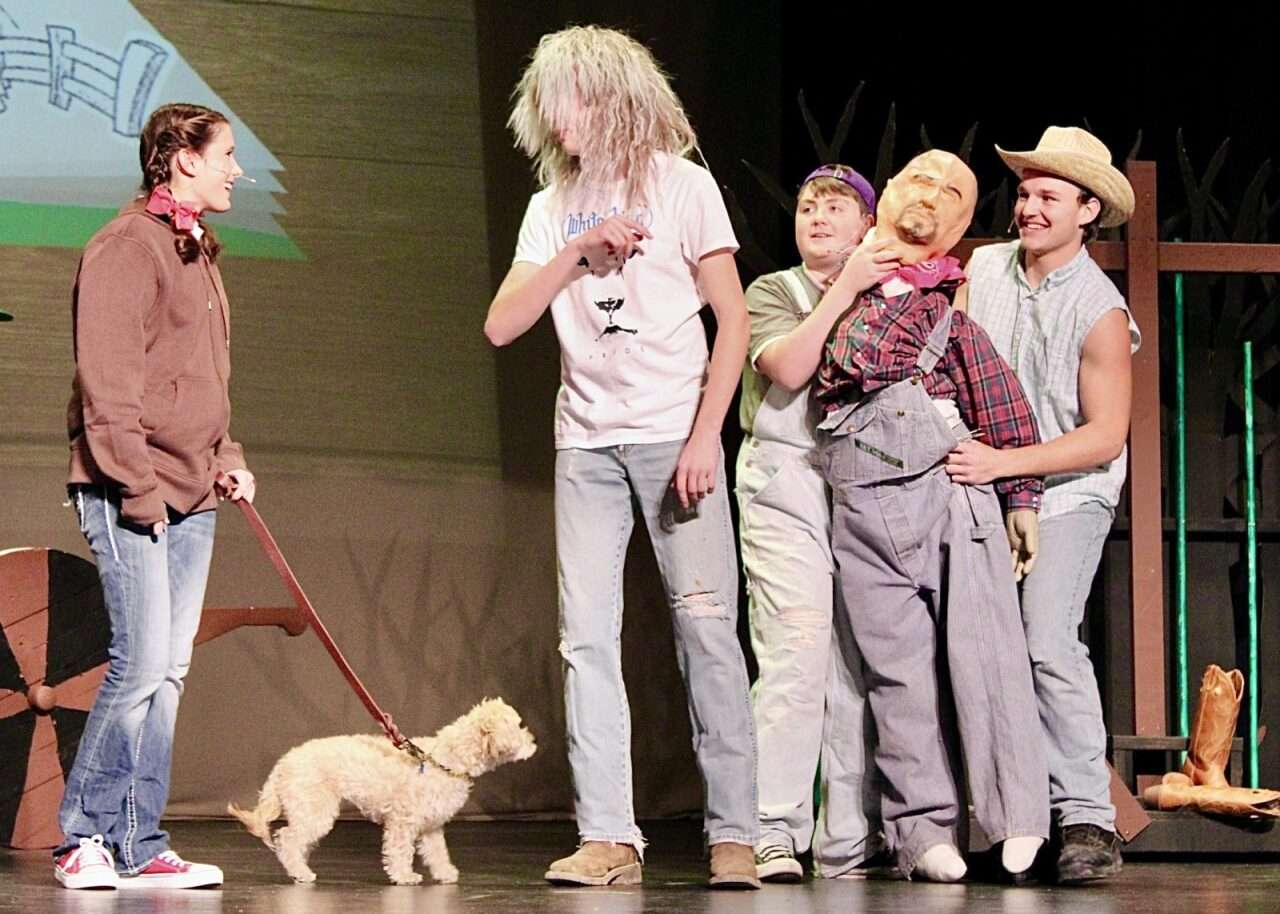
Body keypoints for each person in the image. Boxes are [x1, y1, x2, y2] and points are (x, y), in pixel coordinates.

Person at [484, 25, 759, 890]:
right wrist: (574, 254)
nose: (557, 112)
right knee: (586, 642)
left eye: (571, 92)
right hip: (587, 446)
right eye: (550, 95)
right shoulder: (549, 206)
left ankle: (736, 835)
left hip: (677, 435)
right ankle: (608, 835)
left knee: (708, 630)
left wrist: (708, 432)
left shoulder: (684, 188)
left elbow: (735, 320)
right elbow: (501, 325)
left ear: (609, 95)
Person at [814, 149, 1050, 883]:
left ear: (959, 227)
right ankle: (921, 834)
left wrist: (1023, 502)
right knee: (897, 677)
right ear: (886, 194)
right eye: (922, 176)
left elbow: (1006, 408)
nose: (934, 193)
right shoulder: (829, 289)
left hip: (952, 495)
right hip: (860, 503)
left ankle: (1016, 819)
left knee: (987, 659)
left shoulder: (950, 314)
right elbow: (828, 367)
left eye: (954, 191)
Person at [55, 102, 254, 890]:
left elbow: (207, 377)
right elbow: (108, 385)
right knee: (137, 665)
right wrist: (136, 487)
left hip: (194, 486)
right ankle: (81, 837)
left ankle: (138, 841)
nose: (238, 168)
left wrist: (227, 455)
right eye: (228, 154)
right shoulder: (126, 246)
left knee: (168, 672)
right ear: (182, 159)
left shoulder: (197, 250)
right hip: (130, 485)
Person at [950, 125, 1139, 884]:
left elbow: (1103, 438)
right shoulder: (984, 267)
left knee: (1045, 639)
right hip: (984, 482)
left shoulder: (1098, 307)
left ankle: (1088, 817)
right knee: (971, 648)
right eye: (1025, 193)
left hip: (1067, 492)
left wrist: (1011, 466)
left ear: (1087, 210)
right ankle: (993, 818)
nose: (1029, 207)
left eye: (1048, 196)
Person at [735, 165, 898, 881]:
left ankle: (847, 840)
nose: (818, 217)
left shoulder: (891, 299)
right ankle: (772, 826)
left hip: (863, 486)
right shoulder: (773, 291)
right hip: (786, 480)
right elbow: (790, 368)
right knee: (795, 653)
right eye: (807, 206)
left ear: (868, 225)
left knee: (855, 666)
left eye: (837, 208)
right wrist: (845, 289)